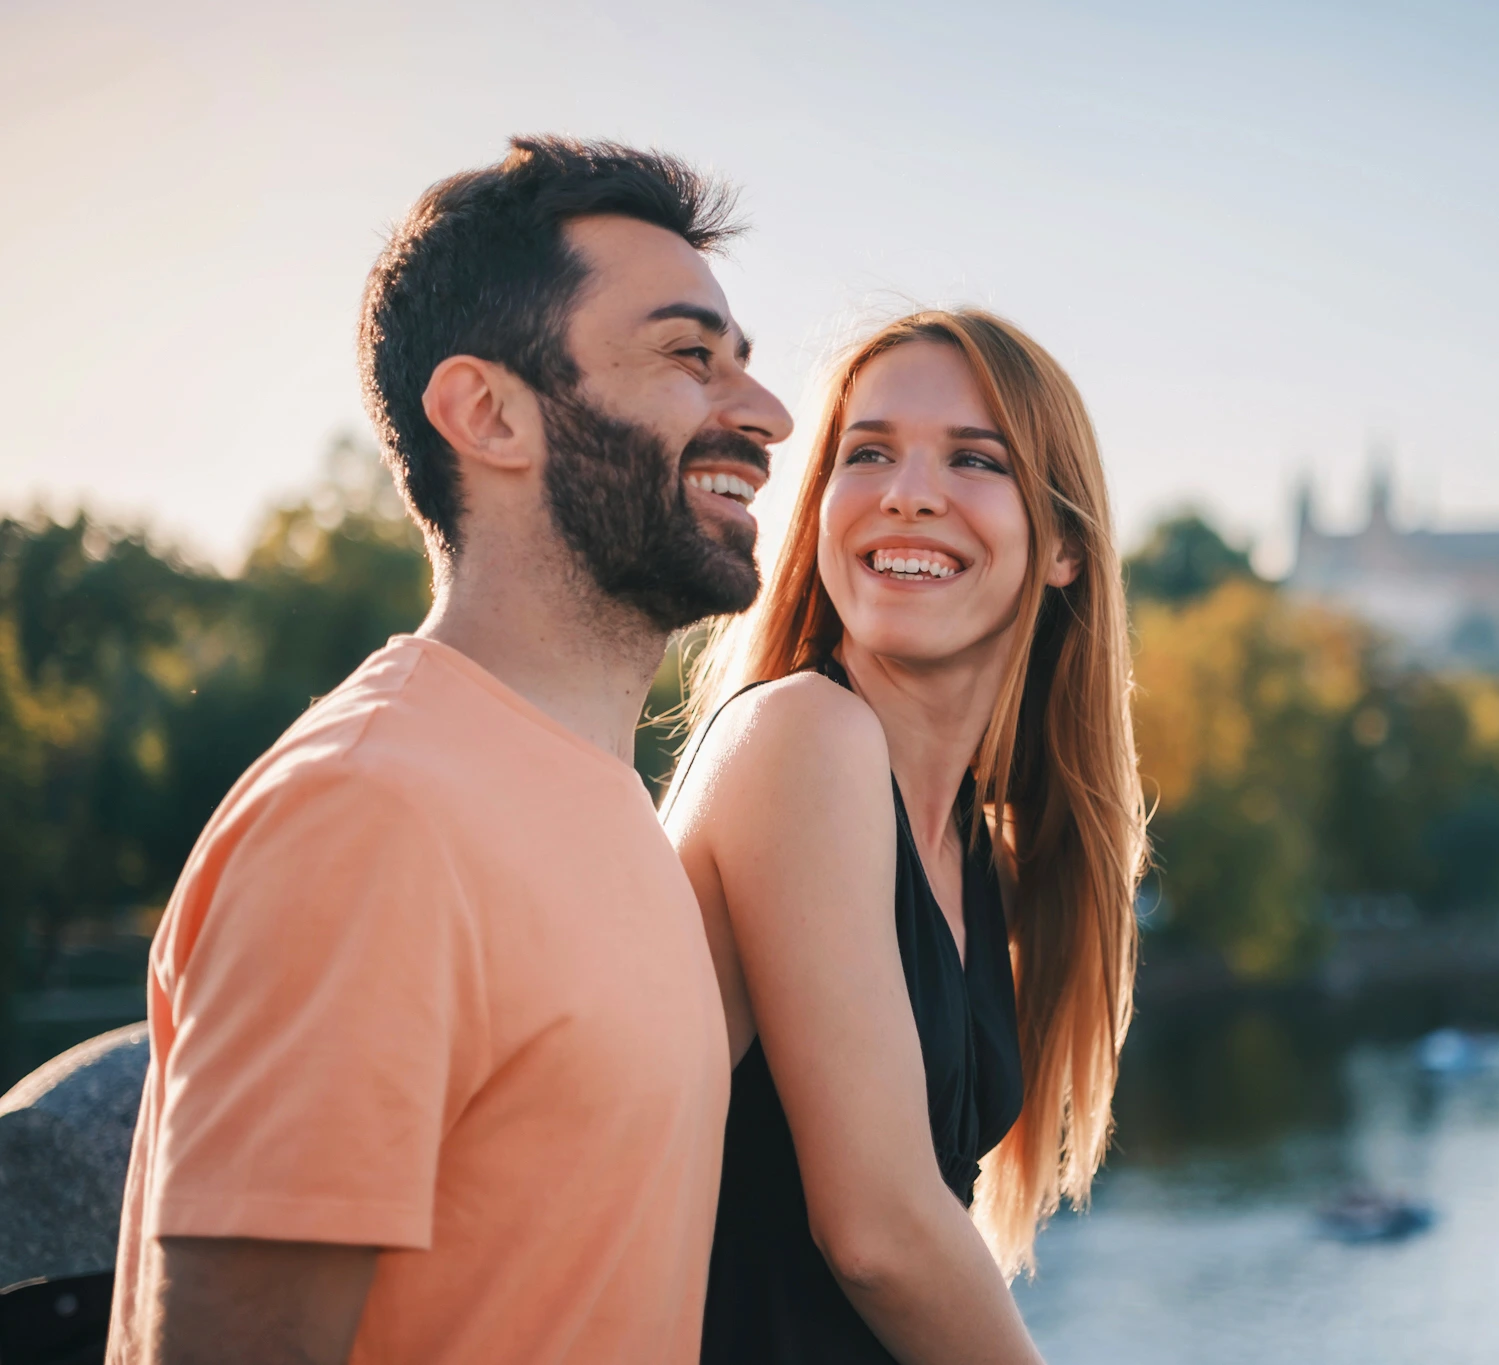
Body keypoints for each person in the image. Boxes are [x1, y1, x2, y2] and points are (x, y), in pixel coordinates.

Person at [107, 136, 792, 1365]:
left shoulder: (597, 805)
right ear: (489, 414)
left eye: (742, 363)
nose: (767, 415)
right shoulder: (372, 815)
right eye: (691, 357)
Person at [662, 309, 1147, 1363]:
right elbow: (877, 1236)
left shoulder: (975, 845)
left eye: (973, 460)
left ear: (1063, 547)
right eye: (867, 452)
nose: (907, 491)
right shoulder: (802, 734)